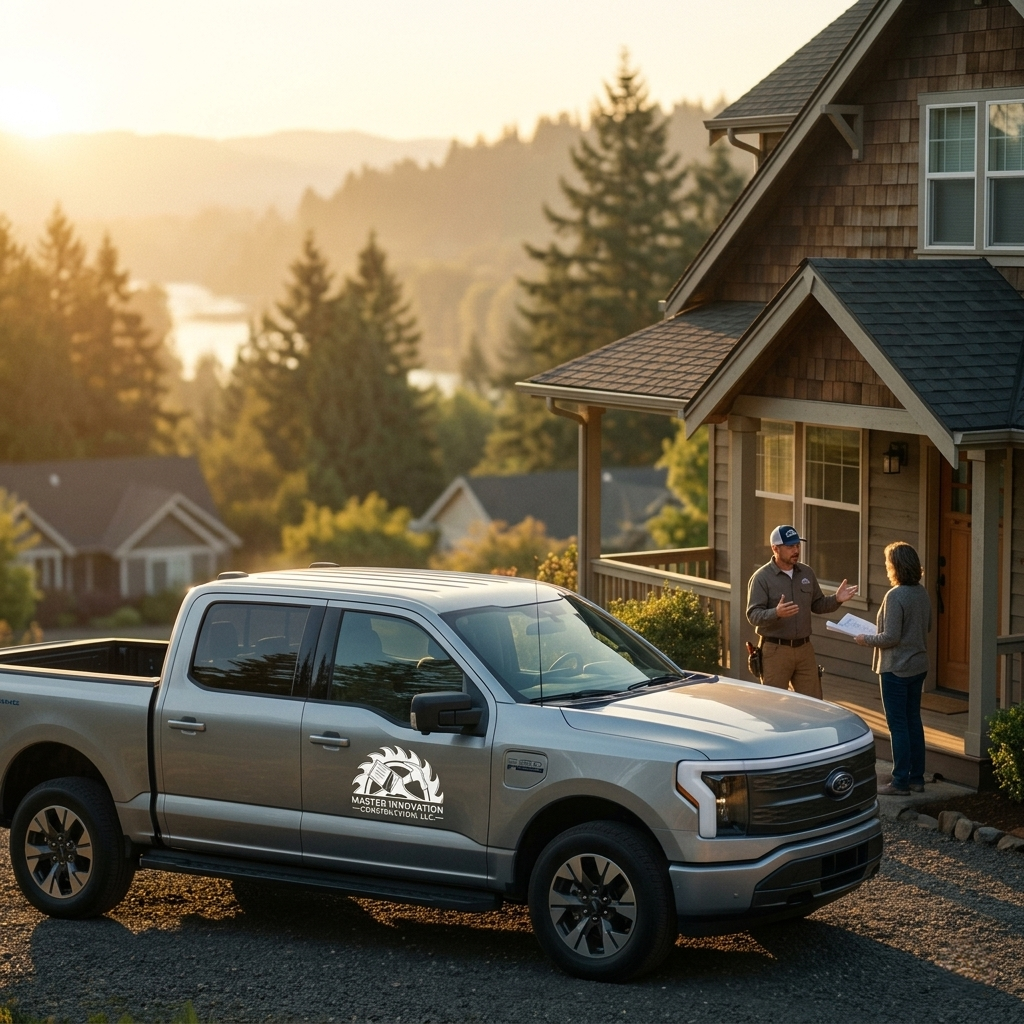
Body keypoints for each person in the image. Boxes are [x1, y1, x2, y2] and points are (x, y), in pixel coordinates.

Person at [746, 525, 858, 699]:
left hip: (805, 648)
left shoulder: (807, 572)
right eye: (790, 546)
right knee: (774, 704)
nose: (796, 550)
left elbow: (818, 604)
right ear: (775, 548)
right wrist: (776, 612)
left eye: (797, 545)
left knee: (814, 702)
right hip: (776, 650)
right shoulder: (762, 578)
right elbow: (753, 615)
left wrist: (837, 599)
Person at [855, 541, 932, 796]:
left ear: (896, 566)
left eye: (888, 563)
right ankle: (917, 778)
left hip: (896, 668)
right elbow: (927, 626)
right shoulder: (922, 592)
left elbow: (890, 637)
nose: (886, 567)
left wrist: (866, 639)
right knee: (913, 722)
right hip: (918, 665)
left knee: (898, 725)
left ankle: (900, 781)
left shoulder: (896, 595)